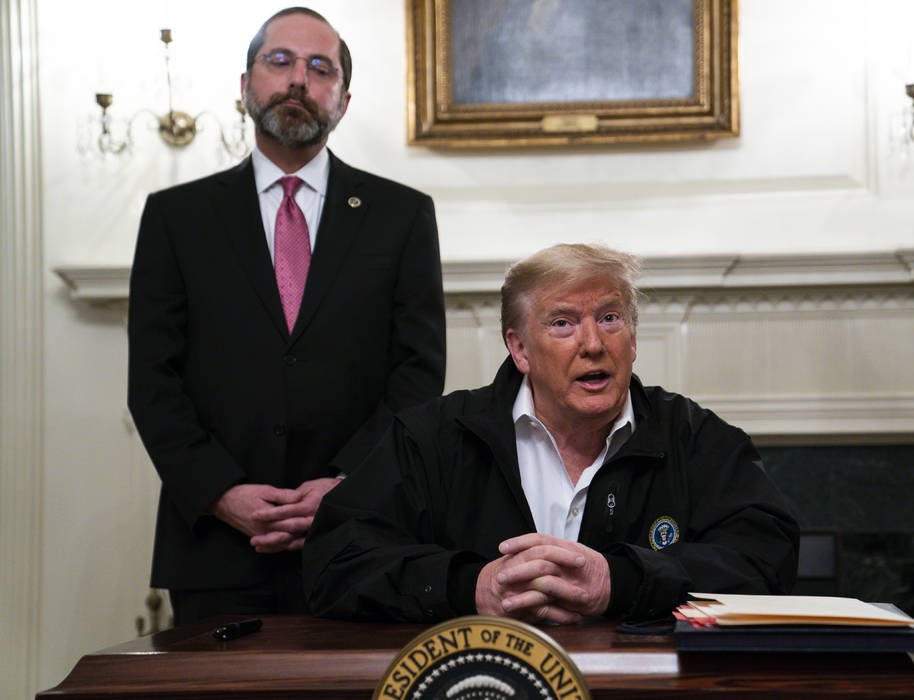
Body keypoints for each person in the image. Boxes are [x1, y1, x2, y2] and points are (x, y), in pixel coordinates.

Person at [127, 6, 445, 625]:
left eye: (319, 68)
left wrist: (347, 485)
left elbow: (417, 376)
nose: (299, 79)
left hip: (362, 539)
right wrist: (222, 493)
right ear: (244, 84)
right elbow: (153, 381)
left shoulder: (401, 215)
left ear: (344, 101)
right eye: (280, 62)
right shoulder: (176, 218)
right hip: (215, 549)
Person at [303, 244, 797, 624]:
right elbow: (336, 561)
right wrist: (469, 587)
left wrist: (619, 581)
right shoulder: (431, 437)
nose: (593, 344)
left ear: (634, 336)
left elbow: (767, 561)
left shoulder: (696, 437)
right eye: (563, 323)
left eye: (610, 318)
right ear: (519, 350)